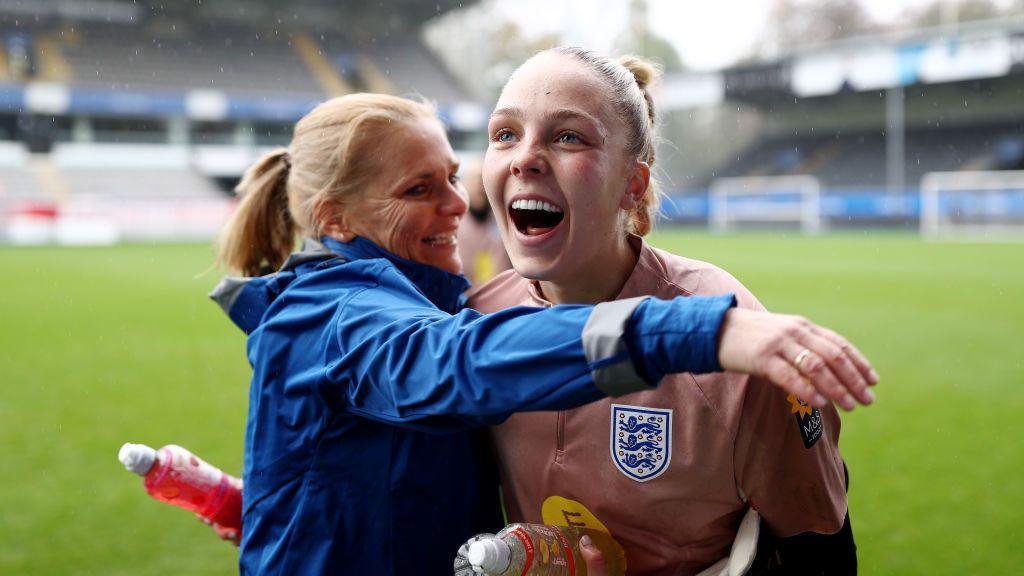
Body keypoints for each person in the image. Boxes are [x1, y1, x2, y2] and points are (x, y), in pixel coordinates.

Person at [206, 93, 875, 575]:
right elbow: (454, 366)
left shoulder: (443, 304)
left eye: (450, 178)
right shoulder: (327, 313)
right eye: (417, 189)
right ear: (336, 218)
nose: (454, 205)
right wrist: (699, 330)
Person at [466, 47, 874, 575]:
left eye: (568, 136)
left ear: (632, 186)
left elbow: (819, 548)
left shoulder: (734, 339)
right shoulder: (474, 321)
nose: (524, 157)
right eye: (505, 134)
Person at [457, 159, 512, 285]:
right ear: (464, 183)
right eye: (474, 179)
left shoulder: (503, 219)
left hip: (502, 293)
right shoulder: (454, 225)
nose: (479, 186)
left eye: (482, 180)